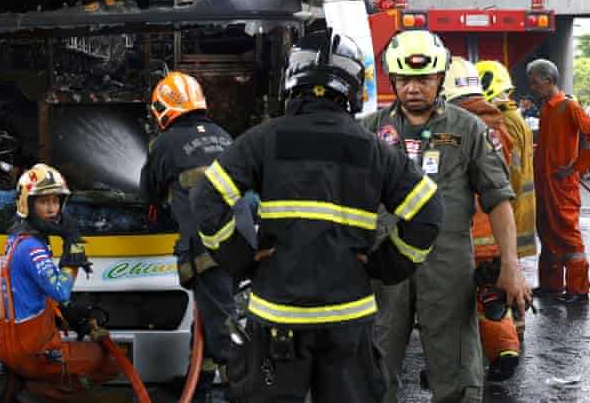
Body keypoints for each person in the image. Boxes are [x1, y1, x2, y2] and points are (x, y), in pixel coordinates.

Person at [191, 29, 444, 403]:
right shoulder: (374, 149)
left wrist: (241, 260)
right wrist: (383, 265)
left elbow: (206, 199)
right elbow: (428, 213)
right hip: (348, 317)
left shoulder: (264, 139)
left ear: (291, 81)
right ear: (353, 86)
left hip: (278, 314)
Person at [363, 30, 529, 403]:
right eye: (404, 79)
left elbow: (498, 198)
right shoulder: (370, 131)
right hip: (383, 263)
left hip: (449, 263)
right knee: (373, 367)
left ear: (440, 78)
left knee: (455, 369)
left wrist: (511, 265)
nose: (413, 88)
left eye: (423, 78)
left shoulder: (469, 128)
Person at [0, 164, 119, 402]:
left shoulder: (16, 240)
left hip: (11, 348)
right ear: (27, 204)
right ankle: (38, 392)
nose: (52, 209)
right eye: (44, 202)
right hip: (33, 352)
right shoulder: (32, 248)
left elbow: (32, 293)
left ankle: (27, 384)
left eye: (55, 202)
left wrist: (68, 314)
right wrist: (73, 251)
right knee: (109, 362)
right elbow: (61, 290)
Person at [140, 71, 235, 402]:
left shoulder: (163, 144)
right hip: (241, 247)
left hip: (205, 251)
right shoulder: (223, 135)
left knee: (223, 334)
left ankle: (249, 389)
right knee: (211, 324)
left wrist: (157, 209)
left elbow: (148, 194)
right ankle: (201, 392)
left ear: (163, 108)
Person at [444, 58, 521, 382]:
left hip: (464, 230)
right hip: (495, 226)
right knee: (489, 294)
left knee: (455, 301)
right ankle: (505, 349)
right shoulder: (500, 125)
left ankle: (457, 367)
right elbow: (509, 179)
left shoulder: (455, 129)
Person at [527, 59, 590, 304]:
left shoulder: (567, 106)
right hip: (546, 184)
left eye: (535, 83)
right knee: (548, 233)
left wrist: (576, 168)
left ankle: (577, 290)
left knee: (569, 238)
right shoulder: (547, 107)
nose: (532, 87)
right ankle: (551, 286)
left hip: (561, 186)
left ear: (549, 80)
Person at [476, 60, 537, 259]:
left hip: (509, 207)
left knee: (504, 269)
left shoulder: (503, 120)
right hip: (517, 204)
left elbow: (508, 170)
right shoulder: (513, 116)